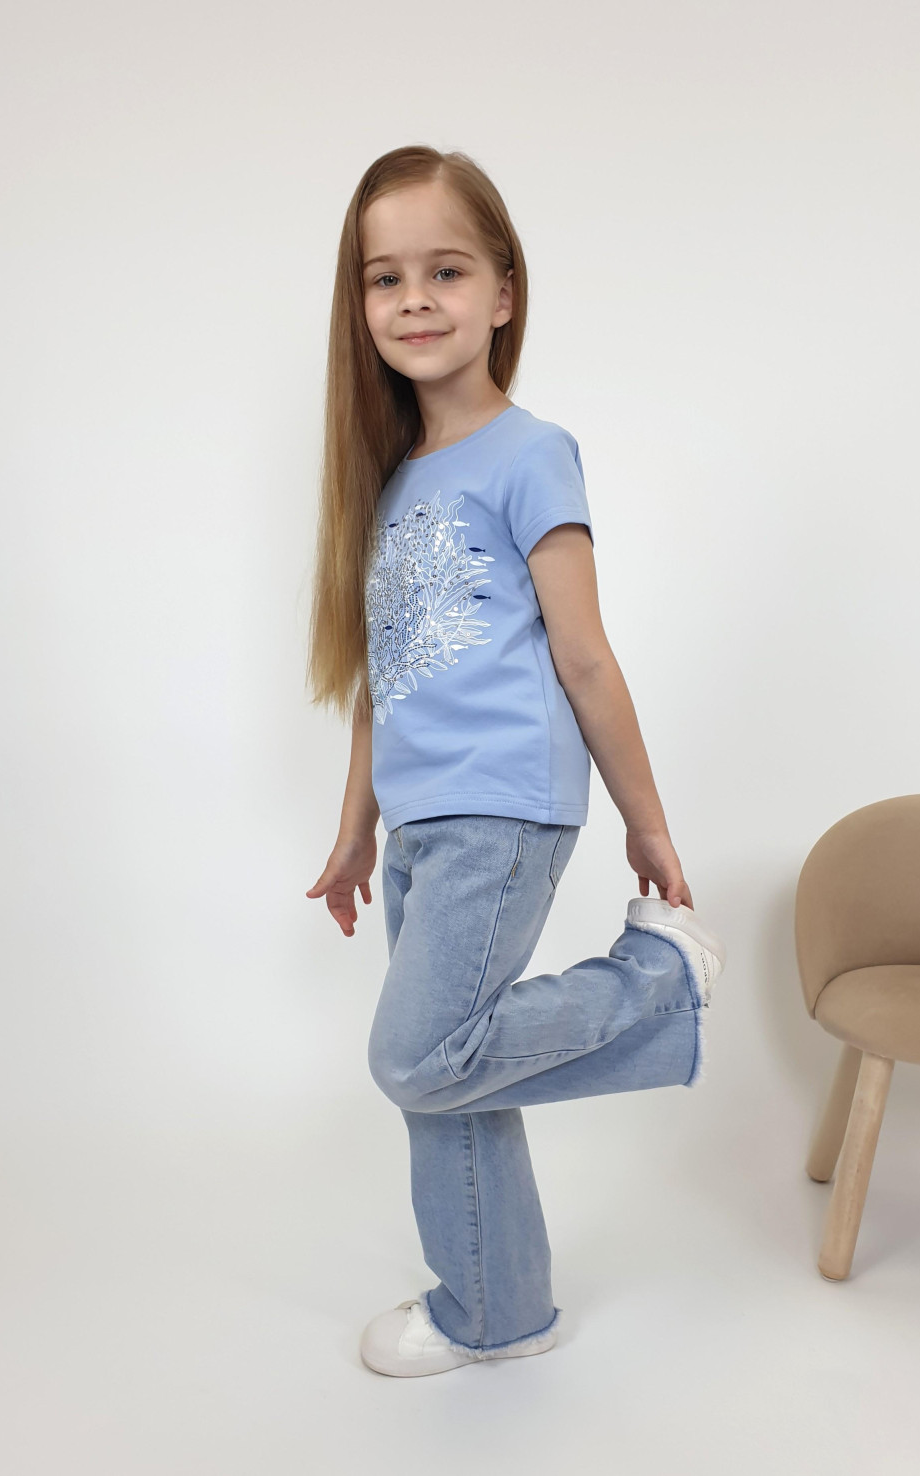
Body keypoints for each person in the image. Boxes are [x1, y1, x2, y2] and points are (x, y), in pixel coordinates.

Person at [305, 145, 727, 1378]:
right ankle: (495, 1310)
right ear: (359, 305)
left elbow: (583, 655)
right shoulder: (390, 480)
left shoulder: (530, 451)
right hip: (420, 820)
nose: (415, 300)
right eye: (385, 278)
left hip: (502, 805)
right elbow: (382, 679)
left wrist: (647, 825)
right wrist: (355, 830)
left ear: (503, 291)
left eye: (445, 270)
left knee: (415, 1055)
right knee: (451, 1081)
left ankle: (657, 984)